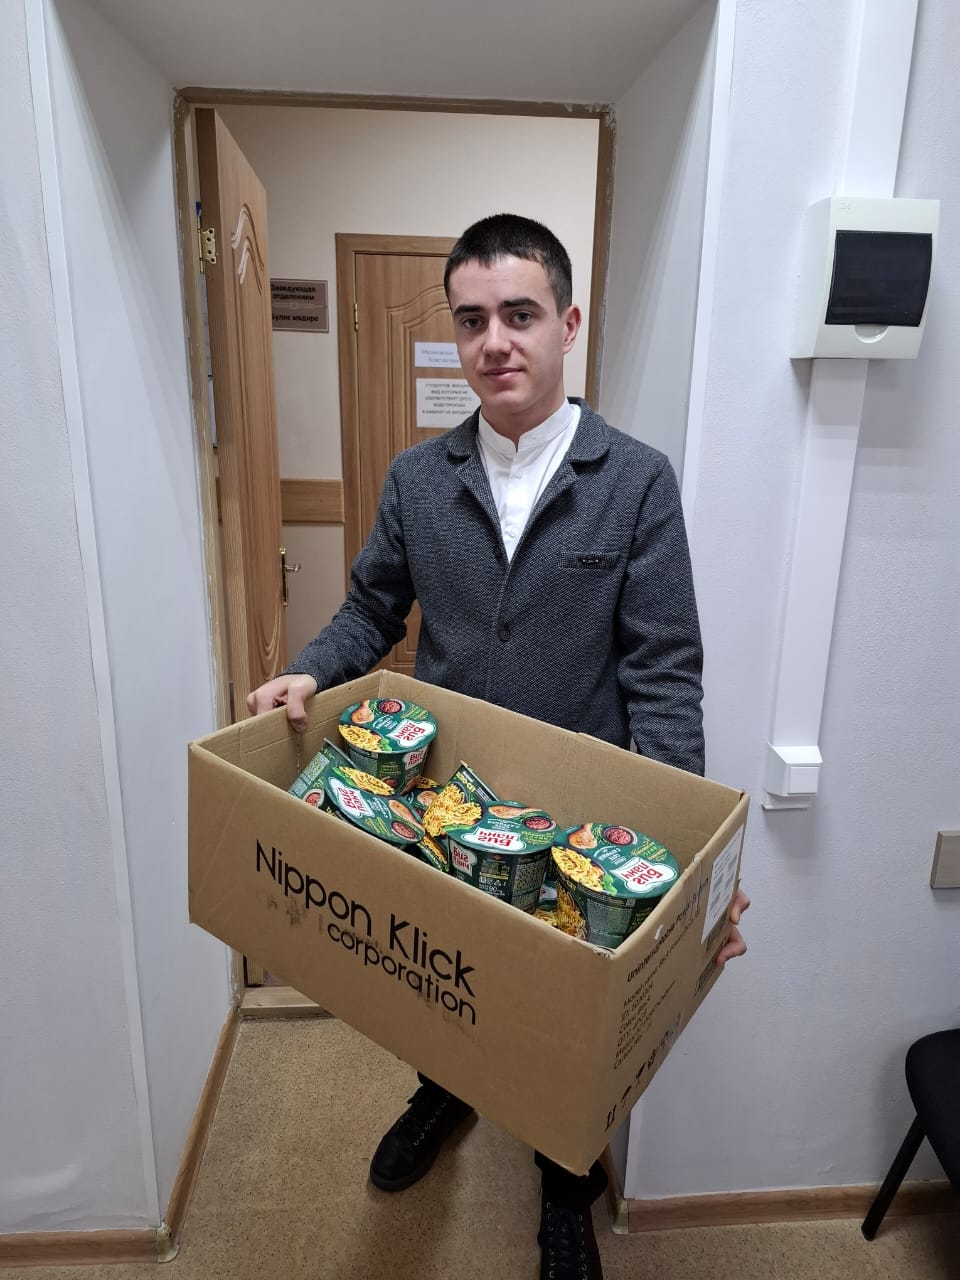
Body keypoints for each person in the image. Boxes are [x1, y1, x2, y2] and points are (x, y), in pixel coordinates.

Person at [249, 214, 749, 1280]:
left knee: (566, 1021)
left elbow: (665, 672)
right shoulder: (417, 480)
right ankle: (442, 1092)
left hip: (578, 817)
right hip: (446, 803)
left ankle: (565, 1188)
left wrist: (678, 848)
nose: (495, 342)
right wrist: (312, 671)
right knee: (442, 977)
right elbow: (371, 608)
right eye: (472, 320)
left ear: (568, 323)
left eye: (520, 314)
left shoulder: (636, 481)